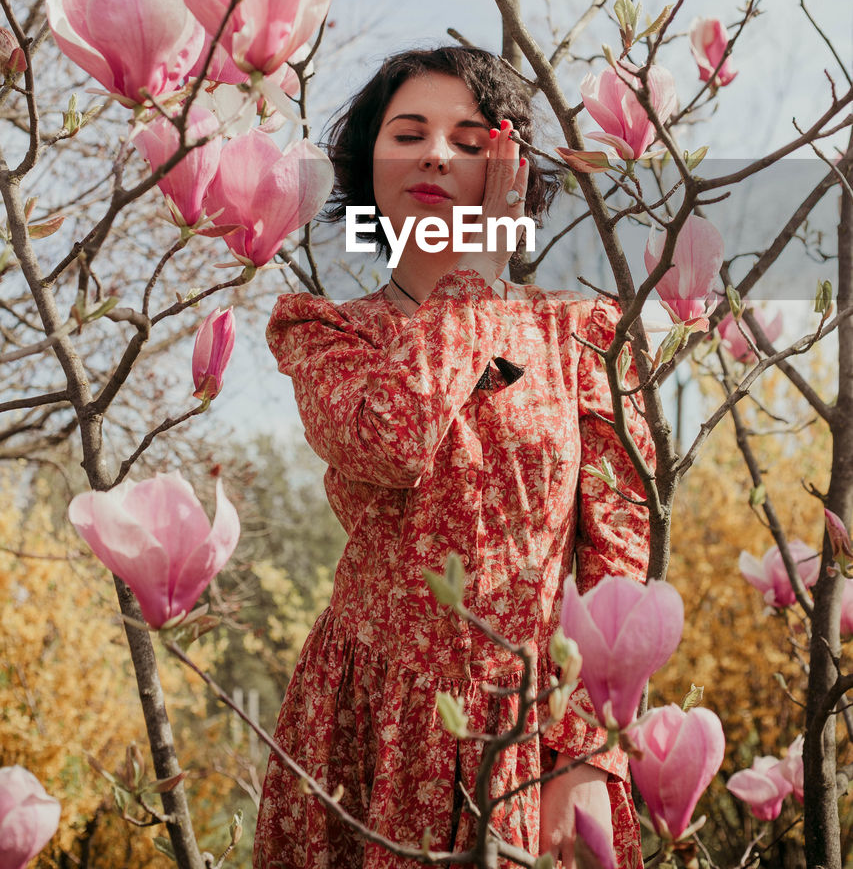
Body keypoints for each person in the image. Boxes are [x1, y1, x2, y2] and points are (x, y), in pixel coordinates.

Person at [254, 47, 653, 869]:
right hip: (370, 717)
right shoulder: (328, 332)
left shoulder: (582, 333)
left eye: (471, 142)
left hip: (533, 722)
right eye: (409, 133)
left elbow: (618, 556)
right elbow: (391, 442)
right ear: (368, 162)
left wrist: (586, 752)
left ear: (511, 172)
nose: (436, 154)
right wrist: (472, 279)